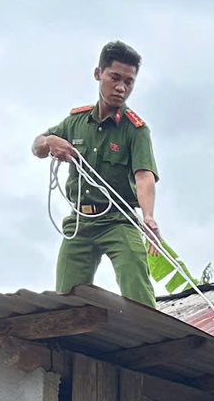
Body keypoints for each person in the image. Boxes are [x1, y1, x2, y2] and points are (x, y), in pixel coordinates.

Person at [33, 40, 159, 306]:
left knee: (137, 285)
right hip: (79, 224)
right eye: (115, 77)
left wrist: (148, 216)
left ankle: (150, 342)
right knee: (66, 300)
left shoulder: (135, 130)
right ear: (98, 74)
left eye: (129, 81)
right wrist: (50, 142)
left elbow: (144, 175)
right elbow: (37, 146)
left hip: (117, 220)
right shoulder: (75, 122)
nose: (121, 88)